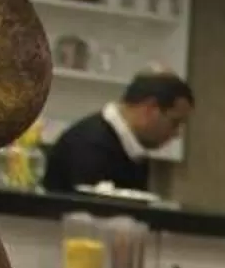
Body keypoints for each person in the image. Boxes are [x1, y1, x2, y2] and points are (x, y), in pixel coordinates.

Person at [41, 72, 192, 194]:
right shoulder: (89, 146)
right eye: (175, 122)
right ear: (150, 108)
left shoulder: (131, 148)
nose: (177, 133)